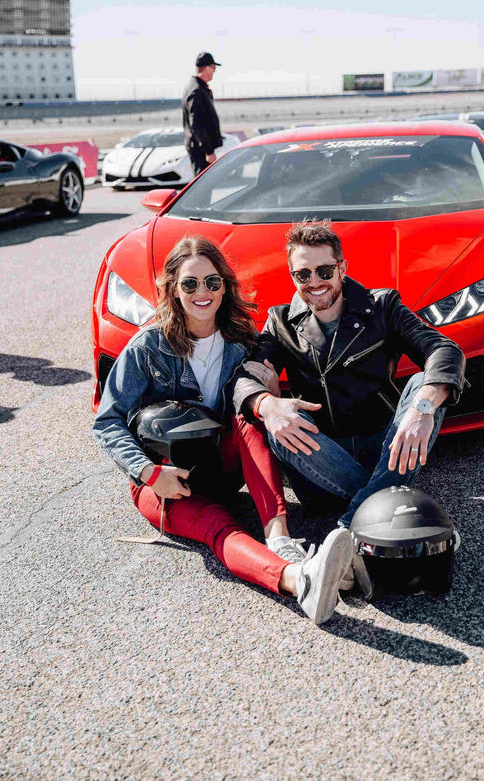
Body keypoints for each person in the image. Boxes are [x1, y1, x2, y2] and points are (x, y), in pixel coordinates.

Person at [93, 235, 353, 625]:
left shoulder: (241, 341)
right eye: (190, 284)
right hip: (165, 483)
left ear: (225, 286)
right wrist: (149, 474)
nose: (203, 292)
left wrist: (271, 393)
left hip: (220, 464)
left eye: (212, 282)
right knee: (219, 528)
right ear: (173, 290)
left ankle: (280, 538)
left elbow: (260, 401)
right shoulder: (147, 347)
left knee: (249, 414)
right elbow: (107, 422)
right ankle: (300, 580)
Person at [232, 220, 466, 556]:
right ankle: (391, 506)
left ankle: (347, 528)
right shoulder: (280, 322)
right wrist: (268, 404)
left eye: (324, 270)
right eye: (303, 274)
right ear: (292, 276)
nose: (315, 282)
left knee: (422, 385)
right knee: (279, 420)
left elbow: (444, 351)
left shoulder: (382, 307)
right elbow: (244, 378)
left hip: (385, 449)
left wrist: (422, 409)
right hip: (320, 462)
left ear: (342, 267)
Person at [182, 52, 224, 176]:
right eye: (213, 68)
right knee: (202, 189)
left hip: (201, 148)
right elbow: (196, 125)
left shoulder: (198, 87)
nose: (214, 72)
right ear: (206, 68)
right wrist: (208, 151)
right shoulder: (196, 90)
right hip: (201, 151)